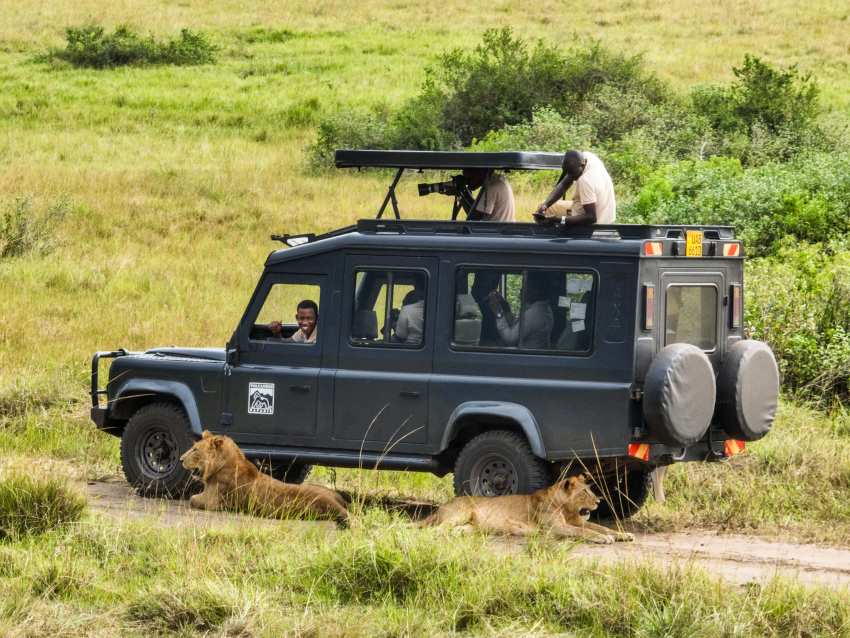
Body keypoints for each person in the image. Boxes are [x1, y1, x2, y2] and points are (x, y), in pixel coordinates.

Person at [533, 150, 616, 226]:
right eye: (569, 173)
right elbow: (565, 183)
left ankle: (547, 239)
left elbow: (591, 217)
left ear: (582, 165)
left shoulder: (585, 180)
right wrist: (545, 205)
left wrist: (559, 220)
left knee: (550, 213)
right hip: (606, 213)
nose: (572, 177)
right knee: (544, 205)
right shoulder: (588, 157)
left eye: (573, 174)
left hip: (597, 222)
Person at [486, 273, 554, 349]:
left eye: (525, 287)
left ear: (536, 291)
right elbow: (517, 328)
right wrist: (506, 308)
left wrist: (498, 314)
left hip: (527, 358)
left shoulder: (534, 314)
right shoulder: (542, 309)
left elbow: (510, 339)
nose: (521, 290)